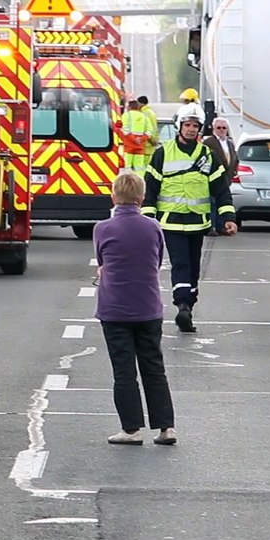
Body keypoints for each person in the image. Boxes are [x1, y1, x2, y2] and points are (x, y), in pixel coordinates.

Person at [94, 171, 176, 446]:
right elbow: (156, 260)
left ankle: (131, 430)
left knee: (124, 370)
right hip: (148, 307)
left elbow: (102, 260)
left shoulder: (102, 228)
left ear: (114, 196)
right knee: (154, 367)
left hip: (115, 309)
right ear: (141, 198)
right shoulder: (153, 226)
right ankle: (166, 428)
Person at [143, 106, 237, 333]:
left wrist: (228, 217)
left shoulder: (207, 156)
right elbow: (150, 189)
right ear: (179, 126)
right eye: (187, 125)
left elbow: (221, 190)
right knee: (181, 263)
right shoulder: (163, 153)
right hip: (171, 222)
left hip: (198, 223)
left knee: (194, 268)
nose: (191, 129)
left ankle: (188, 307)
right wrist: (147, 220)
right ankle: (182, 304)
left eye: (195, 126)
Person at [202, 117, 239, 235]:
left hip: (226, 179)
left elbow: (234, 159)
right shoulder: (208, 143)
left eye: (224, 128)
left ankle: (221, 226)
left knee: (222, 203)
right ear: (213, 129)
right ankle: (211, 227)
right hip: (213, 178)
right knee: (212, 203)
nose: (221, 130)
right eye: (219, 127)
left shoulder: (230, 143)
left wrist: (233, 172)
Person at [117, 98, 157, 174]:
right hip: (140, 146)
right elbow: (149, 131)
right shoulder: (144, 117)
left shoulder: (126, 115)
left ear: (129, 107)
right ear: (138, 107)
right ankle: (140, 183)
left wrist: (133, 139)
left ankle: (127, 183)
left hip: (129, 145)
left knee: (127, 166)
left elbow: (124, 129)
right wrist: (141, 139)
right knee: (139, 167)